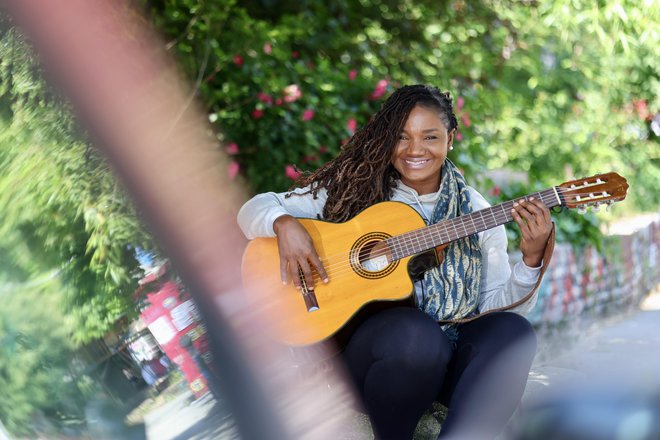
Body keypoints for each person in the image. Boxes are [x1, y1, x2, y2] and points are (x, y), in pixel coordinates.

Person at [237, 84, 554, 439]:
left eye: (430, 137)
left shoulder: (477, 212)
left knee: (514, 334)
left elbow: (495, 306)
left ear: (451, 138)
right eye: (402, 137)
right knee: (416, 334)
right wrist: (284, 224)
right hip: (371, 366)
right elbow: (253, 209)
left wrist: (531, 259)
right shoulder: (353, 187)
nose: (414, 149)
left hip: (449, 362)